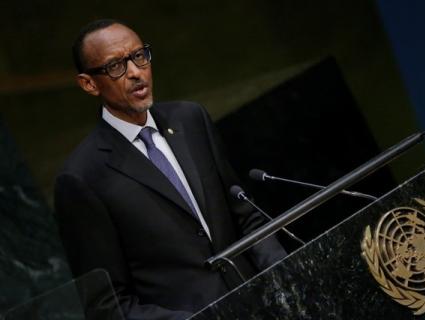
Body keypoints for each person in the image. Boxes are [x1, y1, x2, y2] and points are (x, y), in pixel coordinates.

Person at [54, 19, 286, 320]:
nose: (136, 73)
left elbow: (247, 217)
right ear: (89, 83)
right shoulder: (82, 177)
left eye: (139, 56)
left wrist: (286, 271)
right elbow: (108, 306)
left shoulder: (190, 119)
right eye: (116, 66)